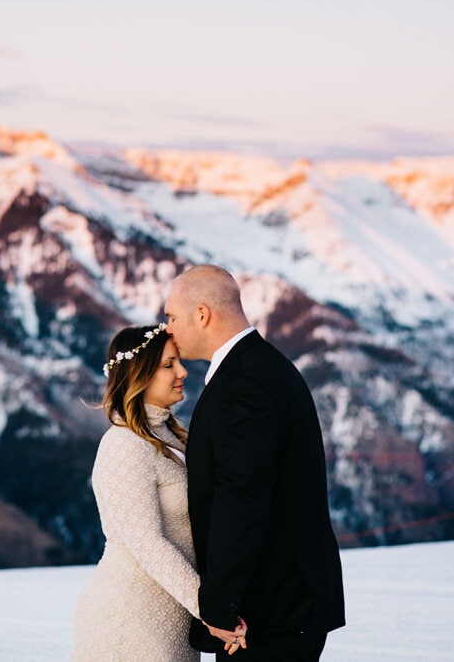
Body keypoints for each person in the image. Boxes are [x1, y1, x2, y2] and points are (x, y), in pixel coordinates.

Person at [164, 265, 345, 661]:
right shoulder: (259, 367)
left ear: (202, 314)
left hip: (271, 611)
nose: (168, 329)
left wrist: (220, 606)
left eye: (172, 317)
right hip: (284, 603)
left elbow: (241, 498)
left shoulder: (243, 382)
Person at [72, 322, 247, 661]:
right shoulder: (124, 444)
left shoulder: (172, 436)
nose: (183, 372)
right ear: (139, 374)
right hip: (130, 615)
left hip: (173, 614)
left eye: (178, 361)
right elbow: (146, 541)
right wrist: (209, 608)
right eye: (169, 365)